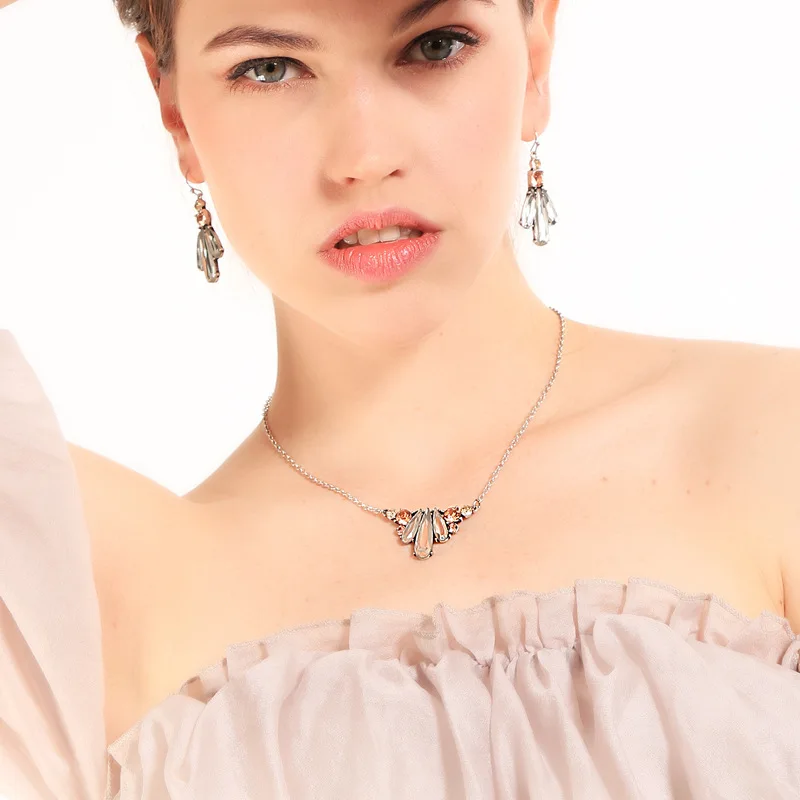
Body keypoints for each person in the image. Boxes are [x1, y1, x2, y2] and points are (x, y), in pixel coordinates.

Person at [2, 0, 800, 798]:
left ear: (536, 53)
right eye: (269, 69)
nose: (365, 156)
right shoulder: (104, 589)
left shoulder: (773, 439)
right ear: (173, 109)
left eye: (435, 45)